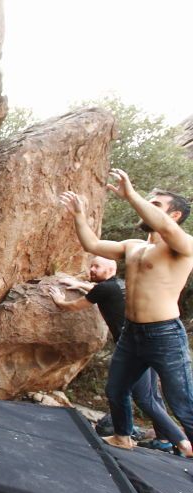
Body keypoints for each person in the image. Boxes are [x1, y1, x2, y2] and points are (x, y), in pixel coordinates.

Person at [59, 168, 193, 457]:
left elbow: (167, 231)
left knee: (182, 402)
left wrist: (130, 194)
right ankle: (122, 436)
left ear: (175, 216)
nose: (147, 206)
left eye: (156, 204)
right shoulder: (134, 247)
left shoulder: (183, 246)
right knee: (116, 389)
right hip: (132, 334)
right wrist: (79, 215)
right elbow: (92, 245)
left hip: (164, 333)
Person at [49, 256, 186, 453]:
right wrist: (78, 283)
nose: (92, 269)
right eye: (92, 266)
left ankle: (182, 442)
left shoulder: (105, 289)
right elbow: (100, 291)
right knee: (152, 397)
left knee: (144, 398)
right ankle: (164, 439)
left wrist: (59, 300)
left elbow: (74, 306)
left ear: (110, 269)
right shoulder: (120, 285)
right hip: (151, 345)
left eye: (97, 267)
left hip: (135, 349)